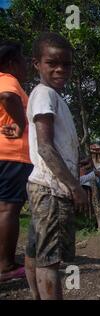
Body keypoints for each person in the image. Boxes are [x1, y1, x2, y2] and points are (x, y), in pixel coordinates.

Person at [24, 32, 88, 300]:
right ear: (36, 63)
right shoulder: (44, 95)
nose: (61, 69)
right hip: (52, 190)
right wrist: (75, 187)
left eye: (67, 64)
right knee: (50, 260)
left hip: (42, 186)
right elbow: (46, 147)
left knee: (35, 252)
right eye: (52, 63)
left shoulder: (52, 97)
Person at [0, 41, 34, 282]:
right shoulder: (7, 79)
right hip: (12, 155)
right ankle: (6, 266)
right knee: (9, 209)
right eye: (23, 60)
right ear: (12, 63)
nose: (26, 66)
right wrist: (22, 124)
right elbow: (8, 96)